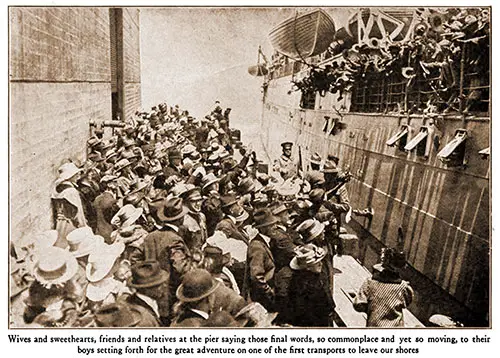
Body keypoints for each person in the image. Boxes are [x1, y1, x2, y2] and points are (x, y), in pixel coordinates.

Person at [353, 247, 414, 327]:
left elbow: (358, 305)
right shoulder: (404, 288)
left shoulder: (369, 282)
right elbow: (408, 301)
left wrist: (372, 307)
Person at [284, 243, 335, 327]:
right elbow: (326, 305)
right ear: (307, 267)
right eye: (317, 263)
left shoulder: (299, 279)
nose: (321, 264)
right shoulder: (312, 285)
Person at [243, 208, 277, 312]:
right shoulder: (257, 246)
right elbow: (256, 277)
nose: (275, 227)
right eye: (271, 225)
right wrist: (270, 294)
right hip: (260, 300)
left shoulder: (265, 242)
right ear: (263, 228)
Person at [51, 162, 88, 248]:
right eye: (75, 175)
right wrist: (84, 227)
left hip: (59, 223)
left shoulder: (57, 189)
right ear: (70, 176)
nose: (77, 177)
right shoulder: (71, 192)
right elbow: (78, 213)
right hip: (70, 224)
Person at [126, 260, 170, 326]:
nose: (164, 286)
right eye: (159, 285)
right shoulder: (137, 314)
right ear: (146, 289)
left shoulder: (152, 301)